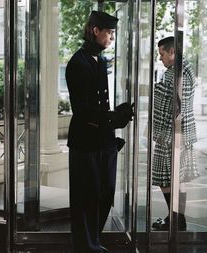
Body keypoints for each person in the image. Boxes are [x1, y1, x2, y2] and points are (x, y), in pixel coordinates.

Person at [66, 11, 134, 253]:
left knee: (106, 193)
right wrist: (111, 119)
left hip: (103, 139)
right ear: (95, 30)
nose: (112, 37)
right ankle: (86, 246)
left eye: (113, 32)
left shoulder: (101, 61)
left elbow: (100, 104)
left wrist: (117, 115)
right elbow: (82, 110)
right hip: (85, 140)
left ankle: (93, 239)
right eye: (109, 32)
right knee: (87, 196)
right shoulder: (78, 62)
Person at [152, 36, 199, 231]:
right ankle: (176, 219)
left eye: (162, 54)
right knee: (177, 179)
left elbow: (171, 108)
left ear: (172, 52)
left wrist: (160, 136)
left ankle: (177, 221)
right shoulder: (184, 69)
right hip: (180, 134)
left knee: (165, 179)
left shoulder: (175, 74)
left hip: (170, 135)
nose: (160, 58)